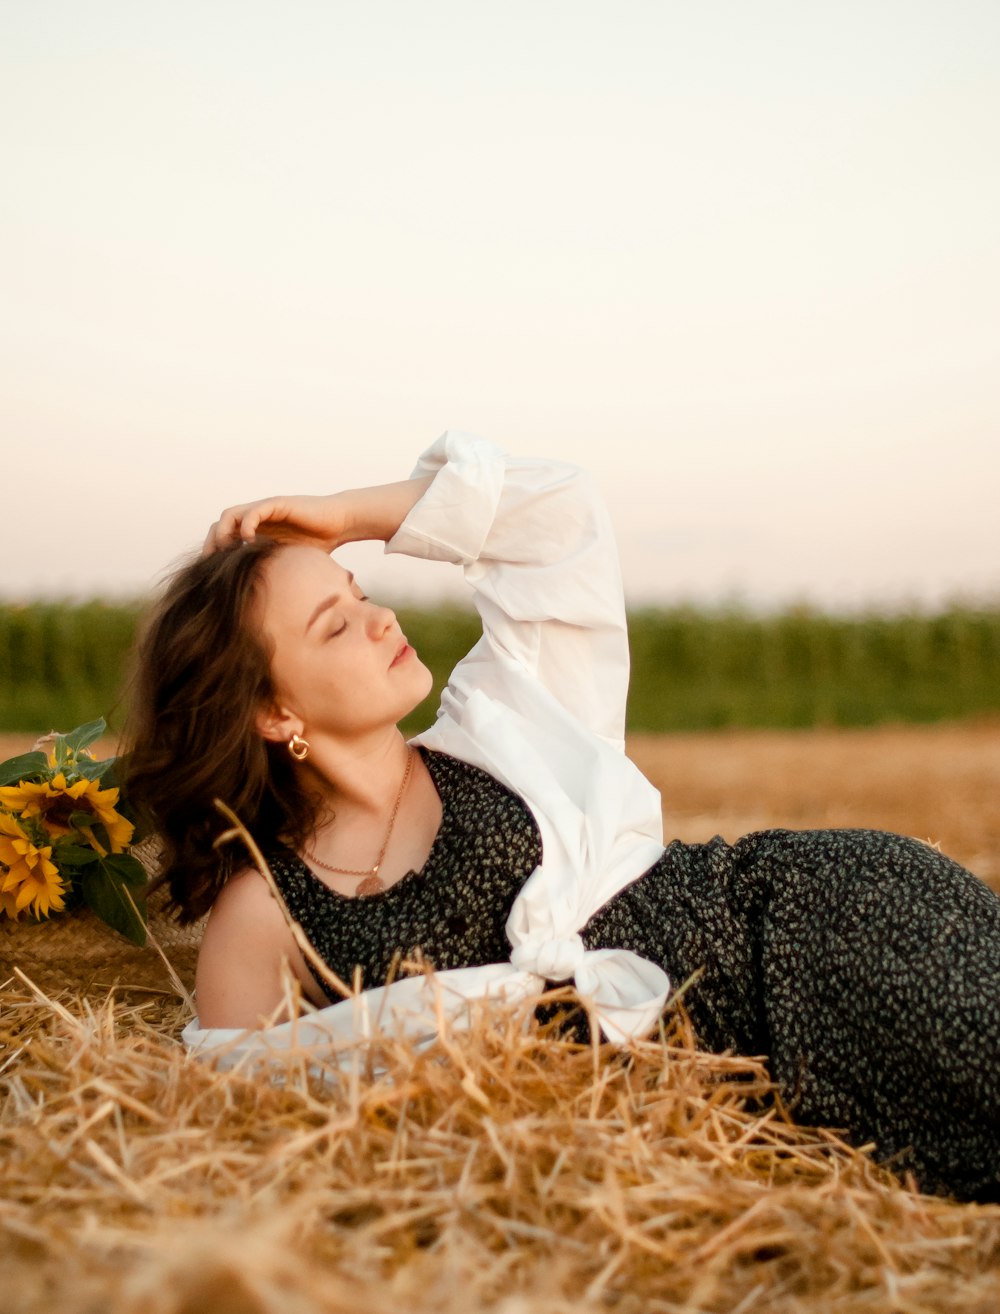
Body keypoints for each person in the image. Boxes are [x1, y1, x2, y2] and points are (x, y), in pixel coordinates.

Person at [125, 431, 1000, 1202]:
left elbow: (556, 518)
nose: (380, 616)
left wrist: (346, 516)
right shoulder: (267, 909)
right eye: (333, 625)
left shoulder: (503, 721)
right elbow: (230, 1114)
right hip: (737, 1095)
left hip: (816, 922)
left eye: (359, 591)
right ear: (272, 715)